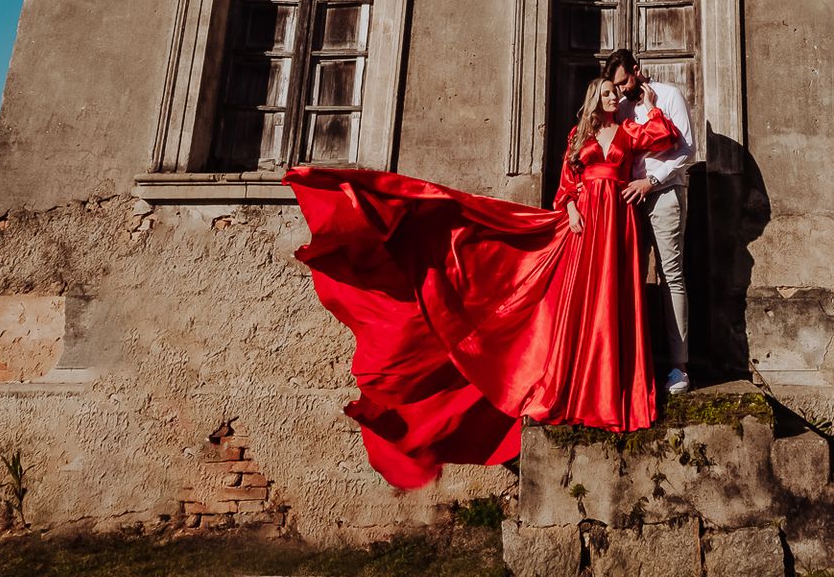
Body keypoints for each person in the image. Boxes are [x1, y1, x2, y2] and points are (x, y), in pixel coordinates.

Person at [282, 75, 675, 489]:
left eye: (617, 94)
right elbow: (567, 183)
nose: (615, 98)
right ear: (596, 98)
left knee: (614, 302)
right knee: (586, 304)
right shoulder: (580, 134)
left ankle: (615, 394)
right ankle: (583, 389)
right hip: (585, 220)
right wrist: (573, 207)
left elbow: (663, 136)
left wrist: (648, 105)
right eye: (608, 93)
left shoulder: (630, 129)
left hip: (619, 220)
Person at [604, 49, 694, 396]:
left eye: (624, 82)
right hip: (628, 200)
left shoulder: (670, 95)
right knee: (630, 275)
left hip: (664, 193)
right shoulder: (621, 106)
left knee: (671, 275)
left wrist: (651, 182)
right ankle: (636, 360)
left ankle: (680, 366)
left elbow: (687, 149)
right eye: (616, 85)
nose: (622, 90)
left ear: (637, 71)